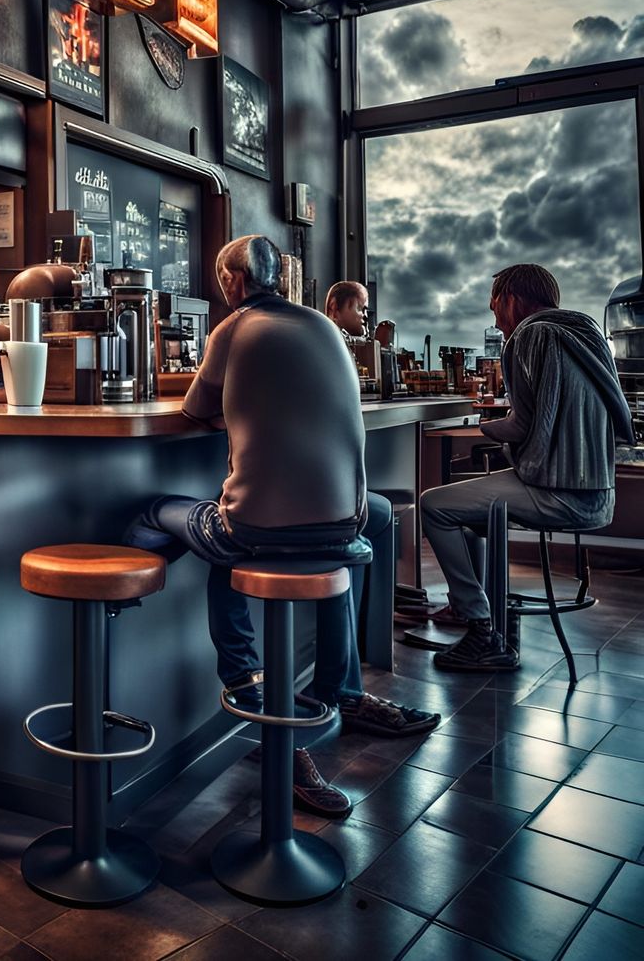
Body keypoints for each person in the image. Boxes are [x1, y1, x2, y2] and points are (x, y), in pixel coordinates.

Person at [129, 235, 438, 818]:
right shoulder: (324, 329)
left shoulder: (233, 329)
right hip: (345, 530)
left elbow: (194, 411)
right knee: (336, 533)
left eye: (222, 280)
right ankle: (339, 694)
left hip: (254, 533)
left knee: (160, 512)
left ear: (233, 282)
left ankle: (257, 701)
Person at [420, 264, 634, 671]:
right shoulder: (583, 332)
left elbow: (520, 425)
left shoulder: (529, 334)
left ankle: (481, 627)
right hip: (597, 492)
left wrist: (481, 423)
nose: (495, 320)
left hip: (554, 489)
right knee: (470, 512)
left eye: (495, 307)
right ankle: (485, 612)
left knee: (434, 505)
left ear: (512, 300)